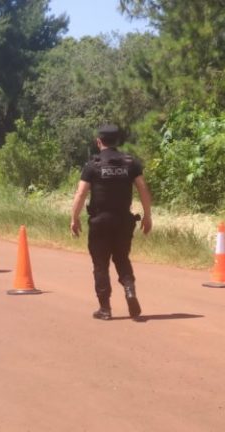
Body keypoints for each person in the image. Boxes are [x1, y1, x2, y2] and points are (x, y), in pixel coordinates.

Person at [70, 125, 152, 320]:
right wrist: (147, 215)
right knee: (122, 259)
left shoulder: (93, 165)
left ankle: (105, 309)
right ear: (117, 141)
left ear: (99, 142)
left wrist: (74, 218)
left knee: (100, 264)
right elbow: (142, 188)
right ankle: (130, 291)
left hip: (100, 222)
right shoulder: (130, 163)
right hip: (124, 220)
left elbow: (81, 193)